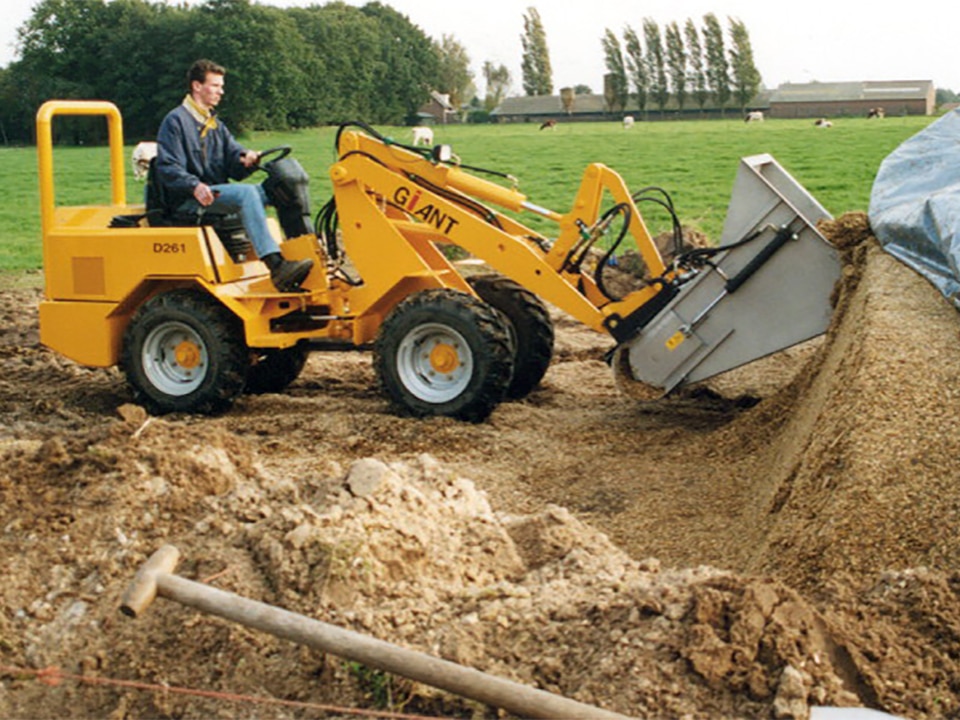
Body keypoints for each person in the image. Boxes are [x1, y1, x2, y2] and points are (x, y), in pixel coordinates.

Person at [155, 59, 312, 292]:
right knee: (248, 194)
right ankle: (276, 265)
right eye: (216, 86)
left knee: (279, 187)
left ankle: (305, 249)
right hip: (189, 199)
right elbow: (167, 167)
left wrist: (247, 159)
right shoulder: (176, 121)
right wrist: (194, 185)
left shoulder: (215, 124)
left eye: (221, 86)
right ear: (197, 86)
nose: (221, 91)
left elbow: (233, 164)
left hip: (216, 192)